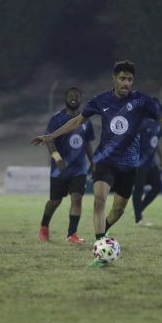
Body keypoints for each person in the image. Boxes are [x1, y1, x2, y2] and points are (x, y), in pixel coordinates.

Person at [32, 60, 162, 252]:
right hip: (104, 161)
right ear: (114, 79)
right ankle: (100, 244)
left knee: (118, 210)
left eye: (130, 79)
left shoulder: (141, 101)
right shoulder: (101, 100)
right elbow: (77, 121)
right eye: (123, 78)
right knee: (99, 200)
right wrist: (51, 136)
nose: (126, 83)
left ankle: (105, 229)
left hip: (128, 165)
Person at [39, 87, 95, 243]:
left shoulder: (86, 121)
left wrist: (93, 162)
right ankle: (44, 225)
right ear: (65, 99)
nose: (73, 98)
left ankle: (71, 234)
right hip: (60, 169)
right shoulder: (57, 119)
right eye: (70, 96)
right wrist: (57, 158)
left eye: (76, 96)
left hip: (79, 169)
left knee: (77, 198)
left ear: (81, 99)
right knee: (55, 201)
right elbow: (49, 140)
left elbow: (87, 143)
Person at [132, 116, 162, 226]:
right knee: (138, 189)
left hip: (152, 163)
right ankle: (138, 219)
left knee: (158, 187)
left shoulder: (158, 124)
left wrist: (161, 159)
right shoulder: (140, 122)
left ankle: (138, 209)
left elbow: (157, 141)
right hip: (139, 163)